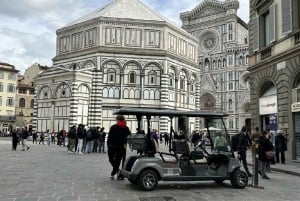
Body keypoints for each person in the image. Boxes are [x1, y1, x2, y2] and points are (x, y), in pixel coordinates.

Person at [107, 115, 131, 179]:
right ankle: (117, 172)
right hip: (122, 147)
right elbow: (129, 136)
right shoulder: (126, 128)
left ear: (117, 120)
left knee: (111, 159)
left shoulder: (113, 127)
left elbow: (109, 137)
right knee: (118, 160)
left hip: (112, 146)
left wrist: (108, 145)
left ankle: (116, 171)